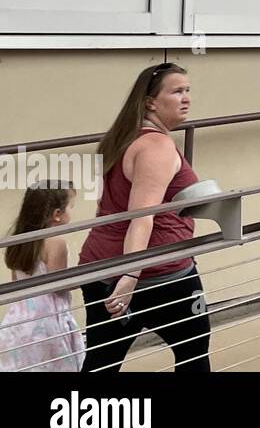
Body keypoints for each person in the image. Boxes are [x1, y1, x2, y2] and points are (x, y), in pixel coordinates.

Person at [78, 63, 211, 373]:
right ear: (151, 102)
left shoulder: (123, 137)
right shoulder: (156, 146)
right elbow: (141, 217)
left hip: (104, 268)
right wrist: (130, 277)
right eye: (177, 91)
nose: (186, 98)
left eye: (188, 90)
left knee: (101, 362)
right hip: (154, 274)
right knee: (194, 354)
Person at [0, 182, 85, 372]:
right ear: (57, 214)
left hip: (20, 318)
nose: (71, 213)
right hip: (48, 320)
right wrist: (81, 279)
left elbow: (16, 282)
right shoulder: (55, 242)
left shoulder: (19, 241)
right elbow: (57, 285)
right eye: (70, 208)